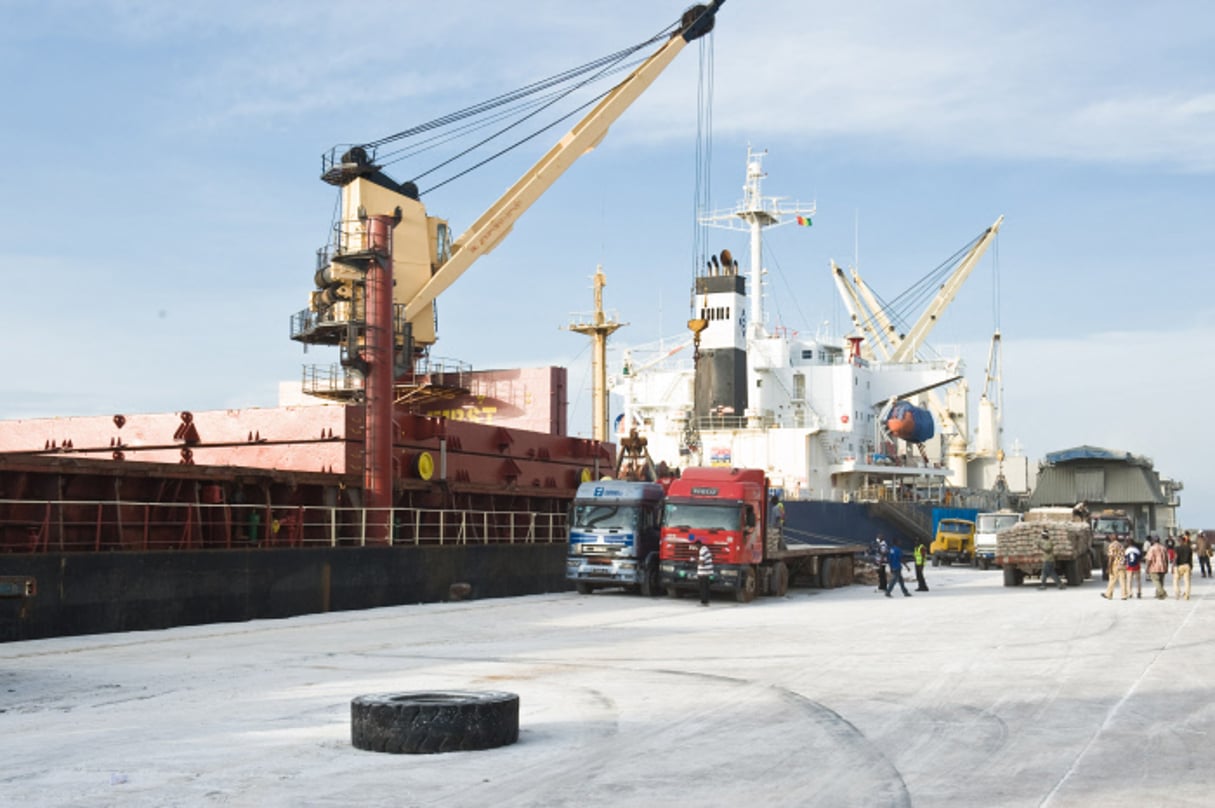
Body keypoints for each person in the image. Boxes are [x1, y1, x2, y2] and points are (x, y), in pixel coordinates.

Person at [1102, 534, 1127, 600]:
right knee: (1122, 580)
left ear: (1112, 538)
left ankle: (1108, 594)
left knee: (1112, 579)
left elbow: (1111, 557)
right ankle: (1124, 595)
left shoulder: (1112, 545)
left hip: (1115, 564)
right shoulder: (1121, 545)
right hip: (1122, 564)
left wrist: (1109, 567)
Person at [690, 536, 714, 606]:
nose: (696, 548)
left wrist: (694, 560)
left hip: (703, 572)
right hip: (707, 572)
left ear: (699, 545)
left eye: (697, 546)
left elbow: (702, 563)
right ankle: (706, 601)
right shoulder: (706, 549)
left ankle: (703, 602)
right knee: (706, 587)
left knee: (703, 588)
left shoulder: (702, 550)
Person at [1174, 533, 1194, 600]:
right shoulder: (1189, 548)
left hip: (1179, 566)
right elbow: (1191, 559)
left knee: (1176, 580)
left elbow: (1175, 558)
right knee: (1187, 581)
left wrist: (1173, 566)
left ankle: (1177, 592)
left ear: (1179, 541)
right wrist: (1191, 567)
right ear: (1184, 540)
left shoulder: (1176, 548)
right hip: (1187, 565)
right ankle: (1187, 595)